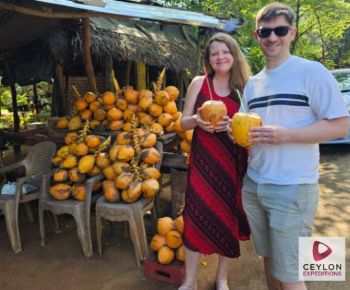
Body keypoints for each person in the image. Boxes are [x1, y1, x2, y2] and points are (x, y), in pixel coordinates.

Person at [238, 3, 350, 290]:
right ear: (256, 35)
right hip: (255, 183)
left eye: (280, 30)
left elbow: (340, 124)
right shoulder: (253, 84)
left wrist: (286, 135)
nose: (272, 37)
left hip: (293, 186)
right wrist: (232, 131)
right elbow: (245, 127)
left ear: (292, 33)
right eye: (266, 31)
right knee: (268, 258)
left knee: (291, 273)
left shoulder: (311, 72)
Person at [179, 32, 252, 290]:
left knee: (227, 220)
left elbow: (252, 126)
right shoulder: (200, 83)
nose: (220, 57)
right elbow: (182, 121)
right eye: (214, 53)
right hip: (203, 162)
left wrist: (235, 126)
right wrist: (197, 122)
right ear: (209, 60)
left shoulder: (244, 89)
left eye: (225, 52)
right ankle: (190, 281)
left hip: (232, 164)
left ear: (234, 54)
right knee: (194, 217)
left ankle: (222, 278)